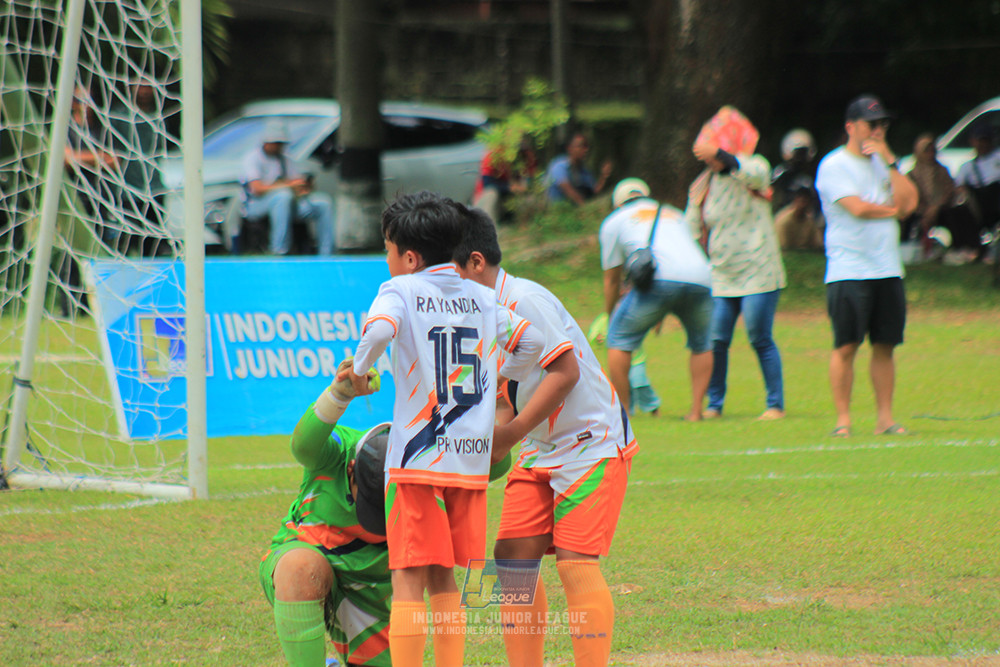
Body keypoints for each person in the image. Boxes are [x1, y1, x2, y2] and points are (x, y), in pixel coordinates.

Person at [337, 191, 570, 667]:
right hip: (468, 463)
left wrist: (359, 372)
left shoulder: (399, 290)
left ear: (409, 257)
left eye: (388, 250)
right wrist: (499, 375)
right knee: (445, 577)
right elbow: (532, 342)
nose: (387, 260)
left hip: (417, 461)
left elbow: (378, 332)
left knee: (407, 578)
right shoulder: (483, 297)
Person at [454, 209, 636, 667]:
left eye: (450, 270)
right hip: (539, 447)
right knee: (511, 556)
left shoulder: (524, 300)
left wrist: (508, 436)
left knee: (576, 563)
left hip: (590, 443)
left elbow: (565, 372)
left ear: (476, 262)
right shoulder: (479, 314)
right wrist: (489, 436)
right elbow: (506, 394)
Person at [258, 360, 390, 667]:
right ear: (352, 469)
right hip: (306, 558)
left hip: (370, 591)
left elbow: (494, 465)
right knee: (300, 568)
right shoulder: (338, 452)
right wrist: (339, 395)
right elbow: (303, 446)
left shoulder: (421, 471)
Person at [814, 94, 918, 437]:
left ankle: (885, 419)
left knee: (885, 345)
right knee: (846, 346)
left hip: (887, 267)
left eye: (882, 124)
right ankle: (843, 420)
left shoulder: (883, 164)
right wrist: (894, 211)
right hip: (849, 269)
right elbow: (857, 208)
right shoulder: (834, 165)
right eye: (871, 124)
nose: (877, 130)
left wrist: (890, 162)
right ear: (851, 127)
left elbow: (910, 202)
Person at [686, 106, 788, 421]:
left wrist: (721, 154)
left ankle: (775, 405)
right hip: (723, 272)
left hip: (759, 268)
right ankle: (714, 404)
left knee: (759, 336)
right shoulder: (704, 184)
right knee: (717, 340)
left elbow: (755, 174)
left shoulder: (752, 167)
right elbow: (692, 225)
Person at [600, 177, 714, 422]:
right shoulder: (674, 214)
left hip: (659, 280)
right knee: (702, 343)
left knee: (619, 339)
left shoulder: (615, 220)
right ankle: (696, 412)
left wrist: (611, 315)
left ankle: (623, 412)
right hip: (702, 278)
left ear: (617, 203)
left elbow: (612, 279)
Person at [241, 120, 335, 256]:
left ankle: (326, 253)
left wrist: (303, 187)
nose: (279, 146)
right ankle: (279, 250)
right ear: (266, 141)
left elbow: (294, 183)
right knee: (283, 196)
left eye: (281, 143)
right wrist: (288, 185)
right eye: (276, 143)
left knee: (323, 203)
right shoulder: (253, 158)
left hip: (289, 203)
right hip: (256, 204)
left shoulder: (285, 159)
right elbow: (257, 189)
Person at [110, 81, 174, 257]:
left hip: (154, 189)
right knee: (127, 242)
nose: (144, 91)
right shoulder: (119, 117)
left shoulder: (159, 118)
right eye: (140, 85)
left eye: (147, 86)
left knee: (154, 245)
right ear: (131, 87)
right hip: (128, 190)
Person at [903, 133, 975, 262]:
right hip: (920, 211)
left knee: (958, 214)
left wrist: (936, 207)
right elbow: (911, 196)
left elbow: (949, 191)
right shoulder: (912, 174)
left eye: (932, 151)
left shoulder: (942, 171)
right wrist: (925, 210)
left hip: (942, 209)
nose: (930, 154)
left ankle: (962, 249)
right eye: (927, 151)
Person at [954, 124, 1000, 260]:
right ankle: (972, 248)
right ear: (973, 142)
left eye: (985, 140)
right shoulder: (967, 166)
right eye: (980, 141)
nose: (983, 144)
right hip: (977, 203)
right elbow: (959, 186)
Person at [472, 136, 538, 224]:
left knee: (532, 198)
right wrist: (509, 187)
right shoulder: (494, 155)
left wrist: (524, 186)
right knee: (491, 194)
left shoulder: (526, 155)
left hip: (514, 198)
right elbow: (487, 183)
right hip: (492, 198)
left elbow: (531, 180)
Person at [545, 132, 612, 205]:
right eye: (581, 146)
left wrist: (604, 176)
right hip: (554, 209)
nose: (585, 150)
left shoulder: (584, 171)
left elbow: (595, 190)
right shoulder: (559, 166)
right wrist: (586, 208)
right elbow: (569, 191)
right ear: (569, 148)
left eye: (586, 146)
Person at [774, 175, 825, 251]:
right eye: (800, 198)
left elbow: (818, 246)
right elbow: (782, 249)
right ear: (795, 199)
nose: (803, 203)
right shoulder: (783, 221)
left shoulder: (809, 221)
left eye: (806, 199)